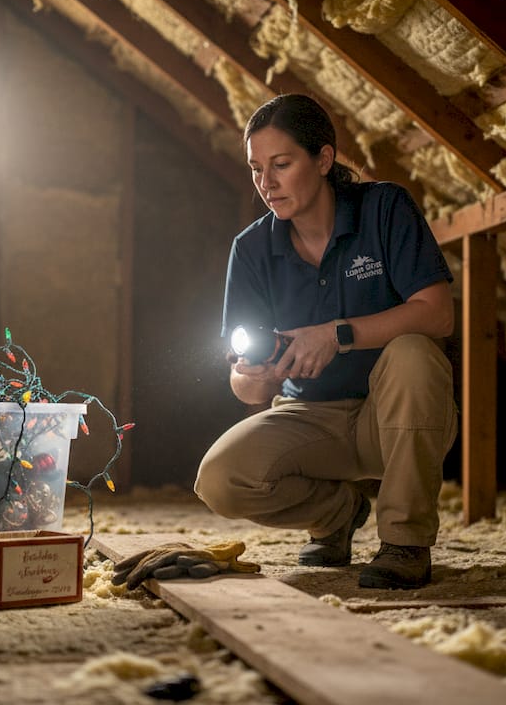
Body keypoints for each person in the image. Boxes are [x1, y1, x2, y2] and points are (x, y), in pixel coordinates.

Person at [194, 93, 459, 589]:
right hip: (311, 419)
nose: (266, 184)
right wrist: (259, 375)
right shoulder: (251, 249)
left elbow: (438, 313)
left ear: (323, 159)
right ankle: (339, 513)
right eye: (256, 168)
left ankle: (404, 541)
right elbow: (246, 389)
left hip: (399, 418)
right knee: (220, 479)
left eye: (281, 164)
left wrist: (338, 336)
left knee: (414, 352)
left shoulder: (384, 208)